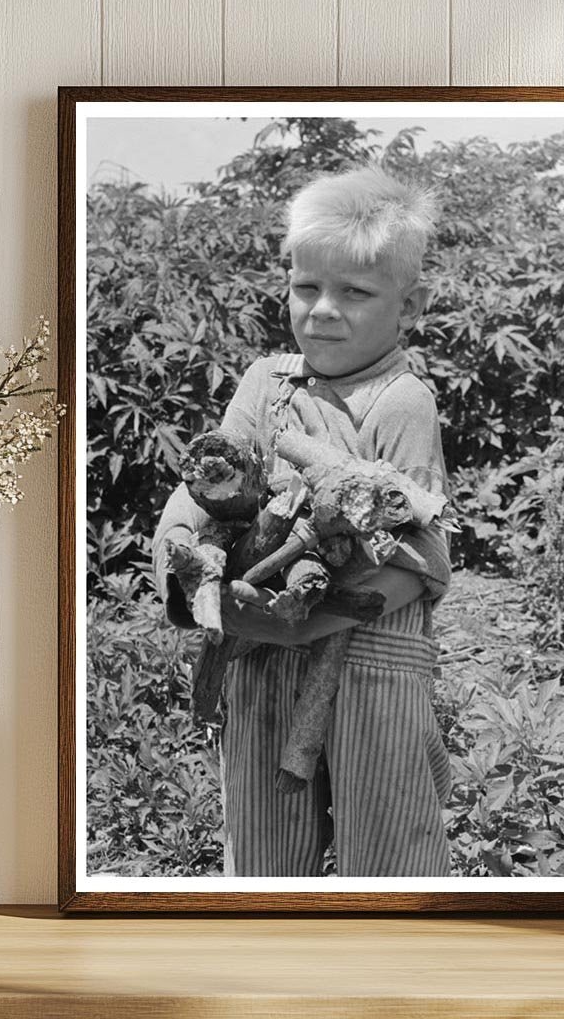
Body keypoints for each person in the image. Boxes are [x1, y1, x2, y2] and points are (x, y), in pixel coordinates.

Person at [152, 164, 454, 877]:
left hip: (372, 659)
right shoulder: (268, 384)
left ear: (411, 305)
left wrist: (304, 623)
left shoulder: (400, 401)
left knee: (391, 852)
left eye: (356, 292)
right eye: (306, 287)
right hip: (259, 653)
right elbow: (204, 482)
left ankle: (395, 951)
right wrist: (188, 559)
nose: (322, 310)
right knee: (265, 857)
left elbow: (420, 557)